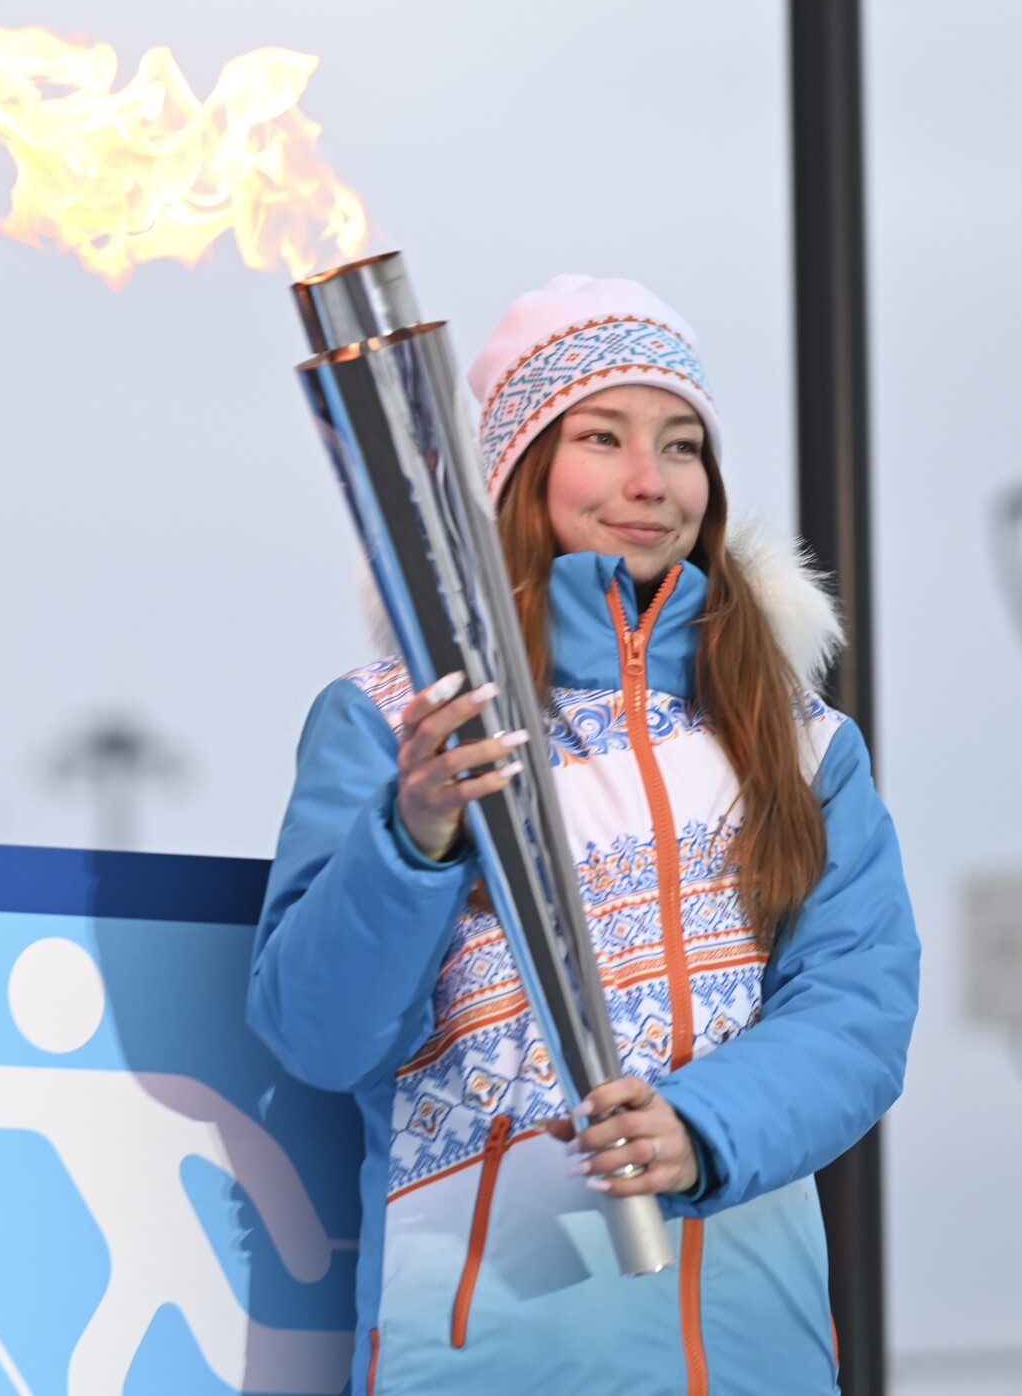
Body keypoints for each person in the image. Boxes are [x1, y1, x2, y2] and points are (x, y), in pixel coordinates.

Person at [248, 274, 920, 1395]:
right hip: (479, 1353)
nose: (649, 483)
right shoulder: (392, 722)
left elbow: (856, 1007)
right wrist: (412, 834)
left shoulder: (800, 745)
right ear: (520, 470)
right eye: (601, 438)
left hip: (751, 1352)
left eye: (682, 445)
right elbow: (317, 1033)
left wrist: (697, 1126)